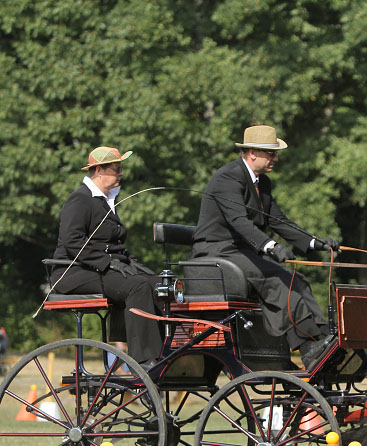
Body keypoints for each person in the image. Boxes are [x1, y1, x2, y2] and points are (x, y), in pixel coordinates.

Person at [192, 125, 338, 370]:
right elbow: (238, 221)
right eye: (271, 153)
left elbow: (277, 220)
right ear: (252, 153)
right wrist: (271, 247)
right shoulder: (227, 177)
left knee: (298, 280)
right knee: (278, 282)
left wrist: (314, 242)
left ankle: (322, 340)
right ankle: (308, 348)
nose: (275, 159)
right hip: (216, 252)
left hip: (241, 253)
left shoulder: (262, 182)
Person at [50, 146, 163, 365]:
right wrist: (107, 263)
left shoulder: (106, 200)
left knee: (159, 283)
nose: (121, 173)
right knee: (137, 286)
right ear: (99, 170)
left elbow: (110, 243)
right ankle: (145, 361)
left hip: (95, 269)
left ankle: (166, 351)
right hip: (72, 272)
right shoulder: (81, 199)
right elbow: (72, 242)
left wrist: (129, 262)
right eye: (116, 168)